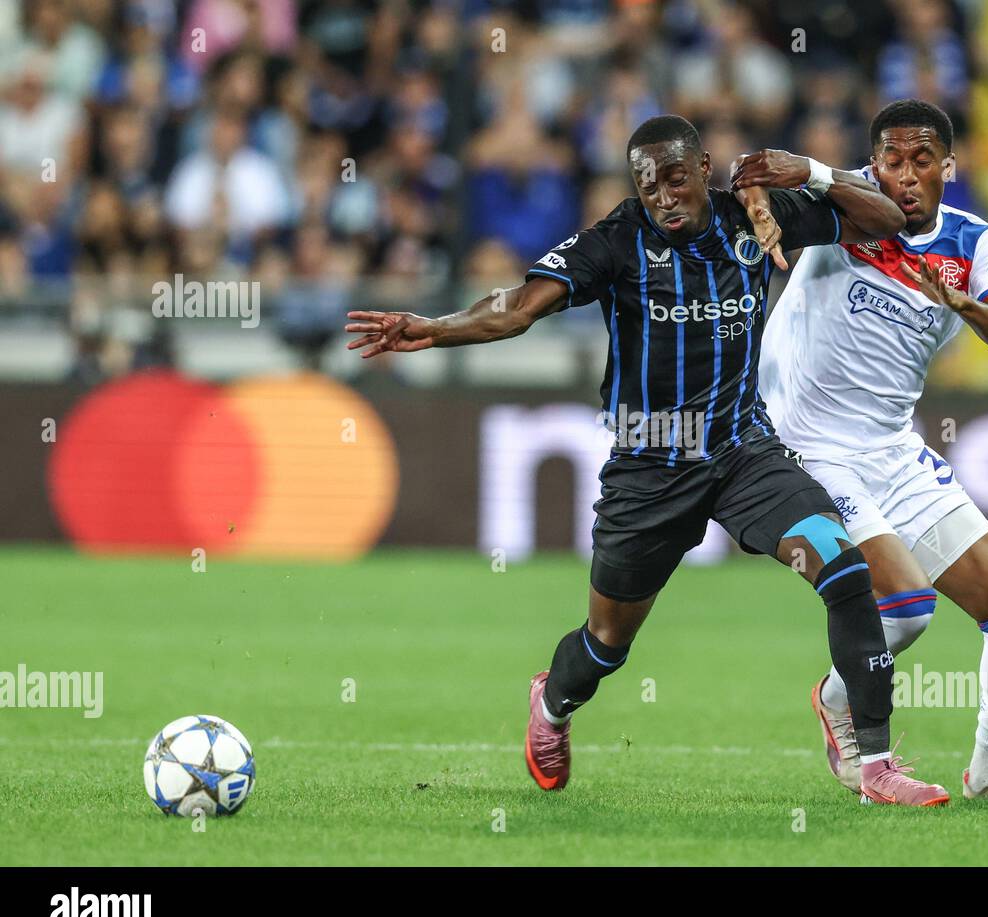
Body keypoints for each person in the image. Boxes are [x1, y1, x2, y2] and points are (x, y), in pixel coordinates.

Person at [344, 113, 950, 806]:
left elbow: (885, 221)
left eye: (673, 177)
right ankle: (554, 703)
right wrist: (433, 327)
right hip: (649, 469)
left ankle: (874, 765)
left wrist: (812, 172)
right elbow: (516, 308)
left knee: (843, 569)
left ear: (701, 170)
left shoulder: (755, 216)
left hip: (741, 453)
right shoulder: (617, 240)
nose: (662, 194)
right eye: (647, 183)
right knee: (606, 642)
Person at [751, 99, 988, 803]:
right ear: (872, 165)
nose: (905, 174)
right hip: (809, 445)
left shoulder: (973, 240)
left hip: (893, 450)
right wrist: (782, 189)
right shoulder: (846, 210)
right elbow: (771, 200)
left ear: (948, 168)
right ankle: (840, 702)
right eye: (890, 160)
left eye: (921, 160)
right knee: (907, 605)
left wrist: (962, 304)